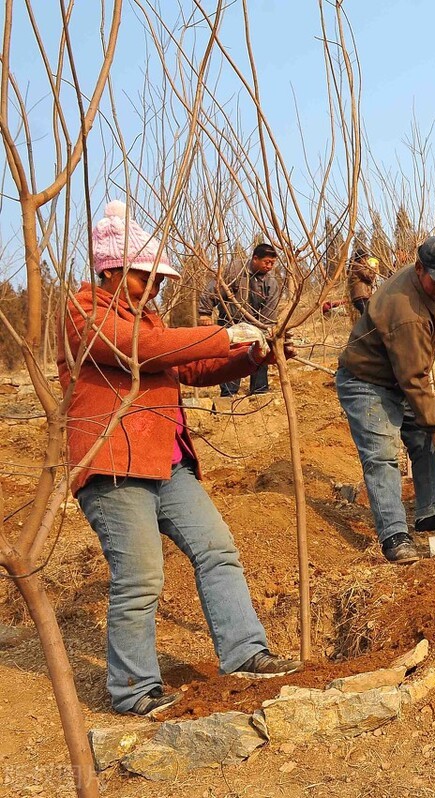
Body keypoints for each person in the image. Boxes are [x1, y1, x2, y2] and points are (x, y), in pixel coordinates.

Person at [62, 201, 300, 718]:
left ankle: (244, 652)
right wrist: (222, 333)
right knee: (141, 574)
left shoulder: (151, 320)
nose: (157, 287)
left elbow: (188, 367)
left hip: (168, 460)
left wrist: (249, 354)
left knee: (217, 548)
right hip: (113, 464)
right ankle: (133, 689)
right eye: (147, 276)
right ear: (112, 271)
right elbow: (139, 349)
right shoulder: (85, 312)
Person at [336, 235, 435, 565]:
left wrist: (432, 342)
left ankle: (432, 512)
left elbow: (416, 355)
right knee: (382, 456)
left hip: (397, 375)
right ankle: (395, 535)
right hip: (367, 382)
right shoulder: (406, 310)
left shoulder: (424, 284)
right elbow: (413, 377)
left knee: (428, 440)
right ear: (419, 269)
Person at [198, 242, 283, 396]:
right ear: (255, 258)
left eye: (272, 263)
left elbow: (270, 311)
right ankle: (228, 394)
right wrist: (205, 312)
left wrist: (265, 331)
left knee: (261, 351)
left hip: (256, 325)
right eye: (267, 262)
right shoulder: (235, 270)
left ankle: (259, 391)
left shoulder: (271, 283)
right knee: (230, 358)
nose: (270, 266)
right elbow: (214, 288)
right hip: (230, 322)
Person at [348, 248, 380, 317]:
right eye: (365, 258)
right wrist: (374, 269)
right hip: (361, 296)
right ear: (361, 258)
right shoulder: (358, 267)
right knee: (367, 317)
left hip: (360, 296)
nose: (366, 260)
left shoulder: (358, 266)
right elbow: (369, 277)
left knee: (366, 317)